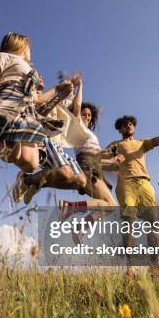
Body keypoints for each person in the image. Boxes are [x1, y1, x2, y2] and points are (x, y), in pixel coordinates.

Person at [0, 32, 74, 174]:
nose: (31, 51)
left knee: (32, 165)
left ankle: (7, 148)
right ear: (21, 46)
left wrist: (58, 90)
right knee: (18, 155)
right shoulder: (4, 56)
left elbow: (36, 99)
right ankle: (1, 144)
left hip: (27, 112)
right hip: (8, 103)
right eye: (29, 48)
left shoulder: (31, 70)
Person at [109, 100, 159, 271]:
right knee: (129, 223)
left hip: (144, 184)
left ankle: (155, 265)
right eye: (124, 125)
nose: (128, 126)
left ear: (133, 128)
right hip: (126, 184)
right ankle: (130, 267)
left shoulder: (143, 143)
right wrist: (114, 160)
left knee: (152, 224)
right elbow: (104, 159)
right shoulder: (115, 145)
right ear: (119, 129)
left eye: (130, 124)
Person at [57, 75, 121, 220]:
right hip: (87, 164)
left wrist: (112, 162)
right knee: (111, 205)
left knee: (108, 205)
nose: (87, 117)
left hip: (94, 164)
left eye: (89, 116)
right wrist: (80, 86)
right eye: (85, 114)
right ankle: (70, 208)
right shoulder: (77, 124)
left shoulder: (90, 134)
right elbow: (77, 106)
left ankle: (82, 226)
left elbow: (96, 157)